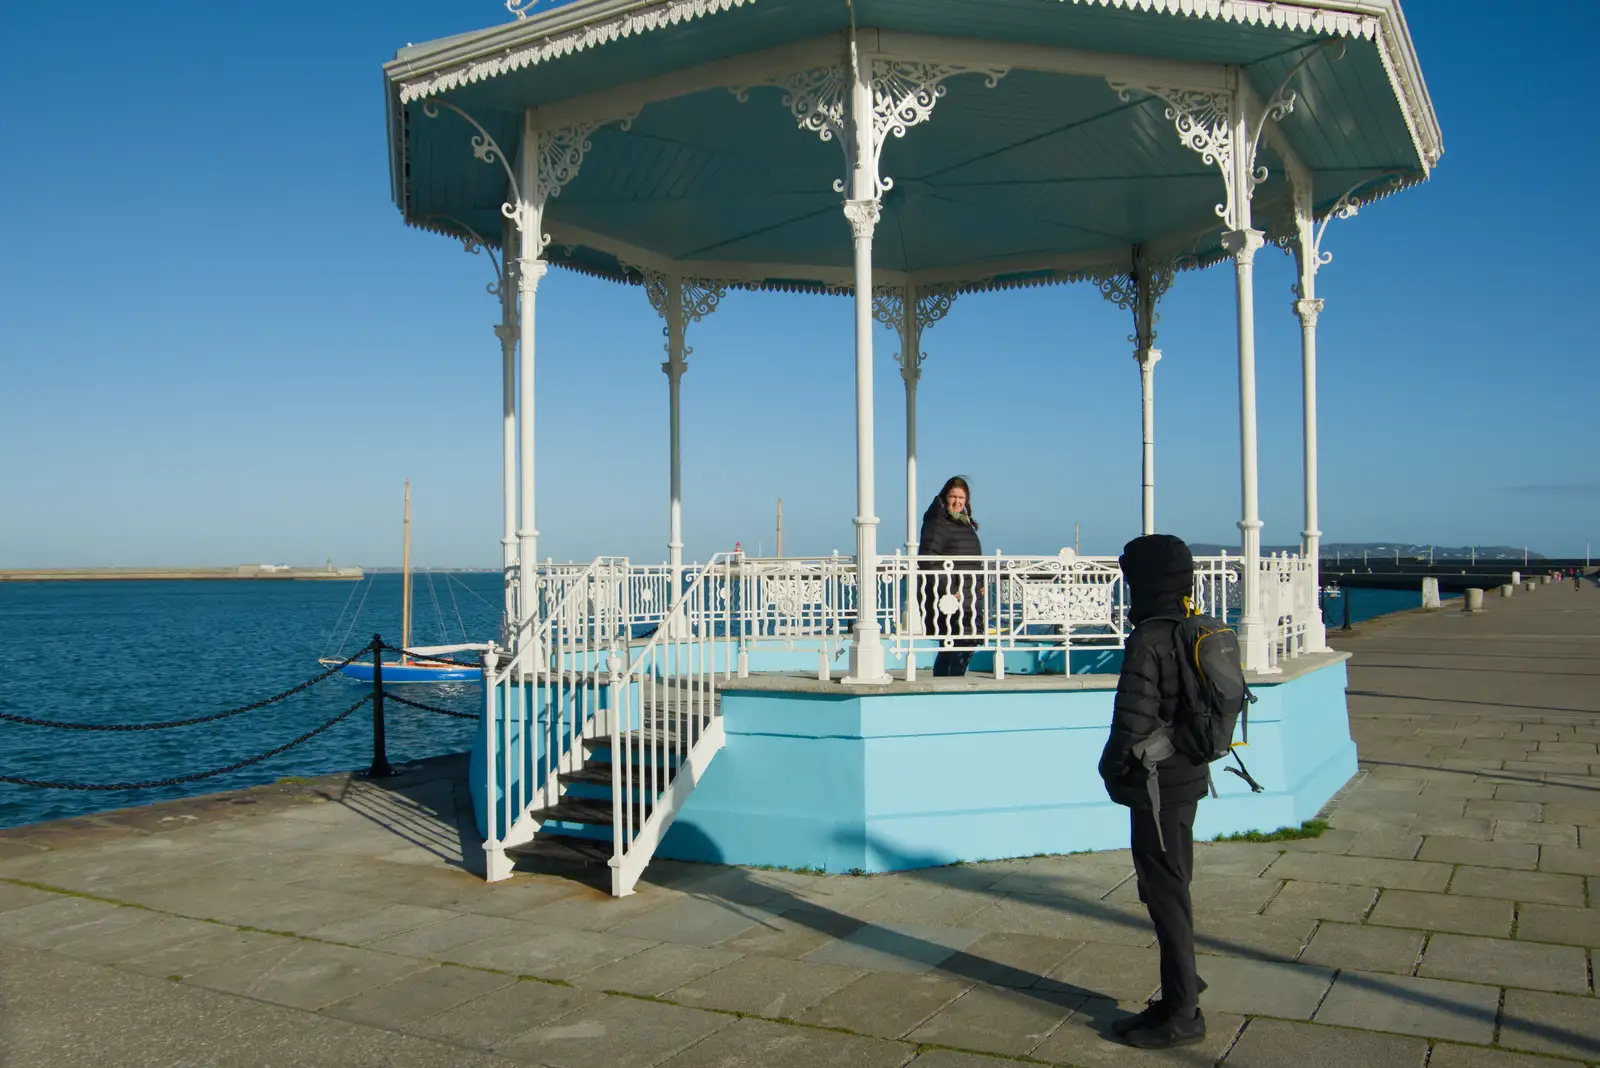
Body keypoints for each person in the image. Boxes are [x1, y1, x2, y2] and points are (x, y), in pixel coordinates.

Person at [1098, 533, 1210, 1049]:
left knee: (1164, 893)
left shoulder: (1148, 638)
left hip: (1157, 784)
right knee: (1169, 886)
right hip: (1188, 777)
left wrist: (1109, 768)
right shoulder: (1192, 627)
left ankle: (1183, 1013)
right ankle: (1177, 995)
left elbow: (1133, 721)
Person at [917, 476, 984, 677]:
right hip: (950, 597)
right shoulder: (938, 522)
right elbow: (928, 558)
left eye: (961, 498)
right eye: (953, 496)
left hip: (969, 593)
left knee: (961, 642)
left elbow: (971, 558)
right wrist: (950, 590)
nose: (957, 502)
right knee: (958, 641)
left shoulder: (963, 522)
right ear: (944, 497)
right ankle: (949, 682)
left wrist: (980, 582)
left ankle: (947, 682)